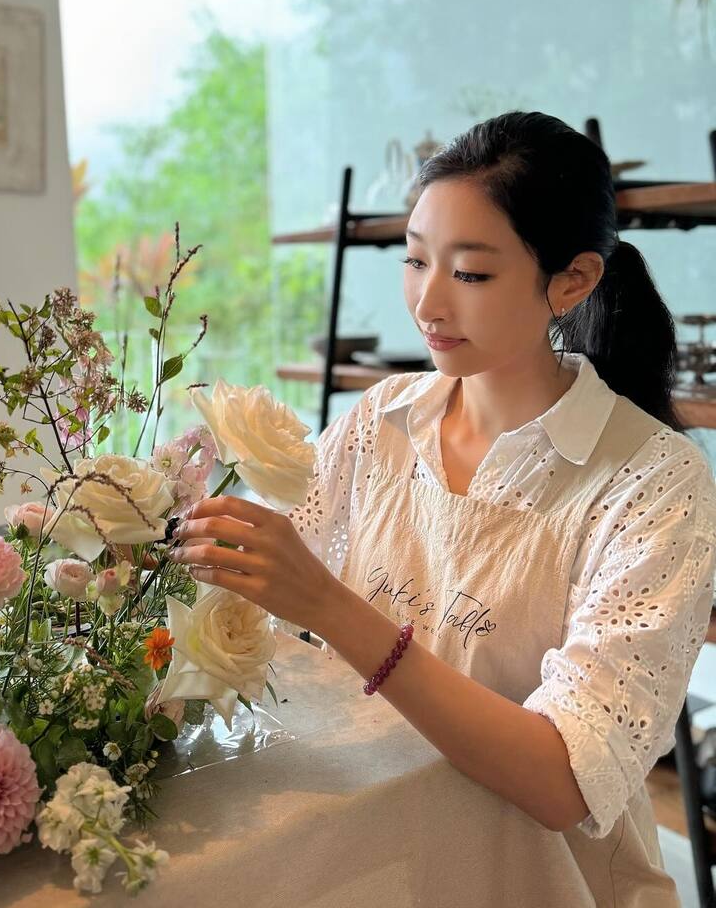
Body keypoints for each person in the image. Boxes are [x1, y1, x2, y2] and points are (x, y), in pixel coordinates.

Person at [169, 112, 716, 905]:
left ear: (573, 280)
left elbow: (564, 777)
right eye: (415, 261)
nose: (427, 303)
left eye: (470, 274)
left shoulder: (652, 479)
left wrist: (326, 603)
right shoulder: (382, 419)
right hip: (376, 849)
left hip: (546, 878)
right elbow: (265, 594)